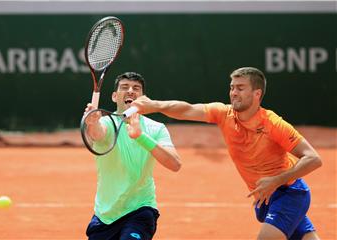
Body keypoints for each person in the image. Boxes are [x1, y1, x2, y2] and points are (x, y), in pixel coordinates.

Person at [132, 67, 322, 240]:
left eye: (240, 88)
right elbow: (187, 109)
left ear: (257, 93)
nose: (233, 93)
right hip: (264, 197)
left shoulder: (273, 124)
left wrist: (276, 180)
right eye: (232, 87)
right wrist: (154, 105)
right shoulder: (224, 114)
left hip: (289, 193)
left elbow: (313, 158)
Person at [83, 72, 181, 240]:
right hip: (105, 215)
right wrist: (92, 123)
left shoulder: (156, 128)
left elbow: (175, 164)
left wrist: (141, 136)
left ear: (143, 98)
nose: (130, 91)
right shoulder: (106, 123)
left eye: (136, 88)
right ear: (115, 96)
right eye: (124, 87)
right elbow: (97, 133)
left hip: (141, 210)